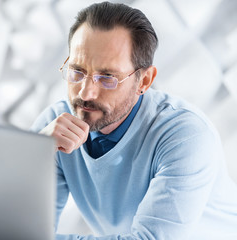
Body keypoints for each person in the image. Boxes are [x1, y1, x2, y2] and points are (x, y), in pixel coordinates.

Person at [30, 2, 237, 240]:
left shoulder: (185, 136)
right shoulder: (54, 126)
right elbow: (16, 225)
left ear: (145, 81)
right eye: (77, 72)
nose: (85, 94)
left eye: (107, 77)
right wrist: (33, 155)